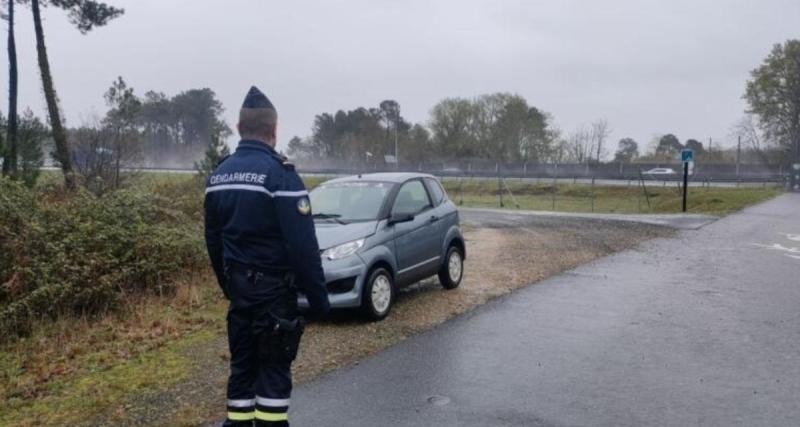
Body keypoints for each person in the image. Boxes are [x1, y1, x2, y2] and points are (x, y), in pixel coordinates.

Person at [204, 86, 330, 426]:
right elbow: (303, 247)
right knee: (273, 381)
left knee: (241, 377)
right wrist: (319, 300)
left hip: (240, 295)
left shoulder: (218, 176)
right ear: (274, 131)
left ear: (238, 128)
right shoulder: (281, 175)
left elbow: (213, 242)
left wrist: (228, 285)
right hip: (274, 298)